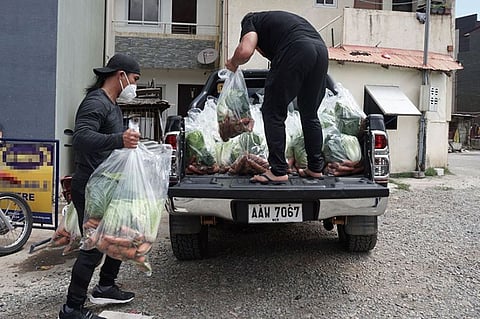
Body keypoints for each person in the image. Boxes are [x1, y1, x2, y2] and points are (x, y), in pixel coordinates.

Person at [58, 53, 142, 319]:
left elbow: (113, 141)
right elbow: (82, 137)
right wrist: (119, 139)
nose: (135, 86)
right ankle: (72, 308)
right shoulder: (95, 102)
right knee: (93, 246)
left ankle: (105, 286)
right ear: (121, 75)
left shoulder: (112, 104)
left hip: (107, 184)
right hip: (92, 185)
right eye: (135, 79)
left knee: (118, 235)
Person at [226, 10, 329, 184]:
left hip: (297, 49)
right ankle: (315, 168)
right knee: (309, 113)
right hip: (321, 51)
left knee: (272, 111)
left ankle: (278, 170)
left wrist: (233, 63)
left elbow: (245, 51)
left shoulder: (251, 20)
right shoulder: (280, 23)